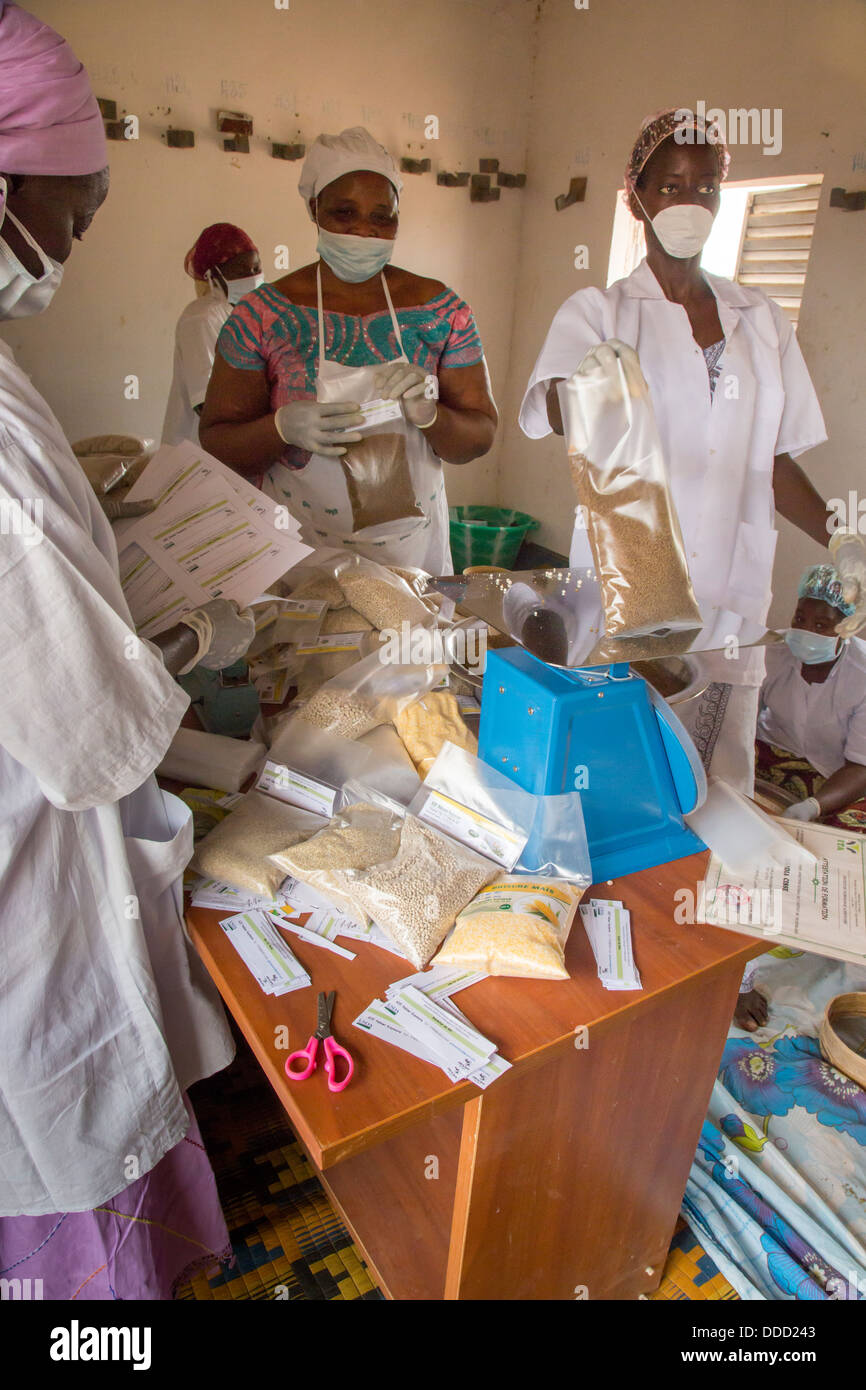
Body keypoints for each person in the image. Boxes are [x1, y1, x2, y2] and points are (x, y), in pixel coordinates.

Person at [0, 3, 256, 1298]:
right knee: (66, 1194)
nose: (67, 250)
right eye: (72, 216)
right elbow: (93, 732)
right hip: (28, 903)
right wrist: (169, 648)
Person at [519, 106, 866, 798]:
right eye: (671, 186)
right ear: (636, 195)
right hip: (632, 581)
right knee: (613, 770)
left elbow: (770, 461)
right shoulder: (599, 312)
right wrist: (588, 389)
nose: (689, 202)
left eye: (705, 187)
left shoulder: (760, 319)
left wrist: (843, 535)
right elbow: (559, 409)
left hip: (730, 590)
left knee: (714, 774)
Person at [199, 126, 498, 571]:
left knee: (410, 639)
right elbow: (217, 441)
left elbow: (478, 439)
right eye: (344, 213)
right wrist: (280, 428)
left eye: (383, 216)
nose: (364, 231)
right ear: (314, 209)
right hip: (302, 551)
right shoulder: (262, 316)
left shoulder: (440, 310)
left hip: (411, 551)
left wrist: (433, 416)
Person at [757, 564, 866, 822]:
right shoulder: (771, 651)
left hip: (839, 772)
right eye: (799, 619)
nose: (806, 632)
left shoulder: (862, 676)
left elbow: (861, 765)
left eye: (821, 625)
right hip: (774, 751)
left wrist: (812, 807)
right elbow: (740, 715)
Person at [161, 221, 262, 446]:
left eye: (256, 268)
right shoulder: (202, 318)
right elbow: (206, 404)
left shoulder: (243, 315)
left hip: (232, 449)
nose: (252, 276)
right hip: (199, 453)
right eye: (241, 270)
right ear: (214, 276)